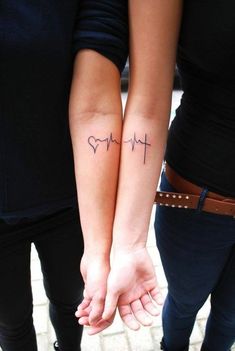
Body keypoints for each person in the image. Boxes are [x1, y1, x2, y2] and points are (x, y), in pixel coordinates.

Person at [76, 1, 235, 351]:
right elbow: (147, 103)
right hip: (199, 202)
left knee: (230, 318)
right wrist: (127, 244)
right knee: (182, 304)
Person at [0, 1, 128, 351]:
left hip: (71, 197)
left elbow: (98, 105)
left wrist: (103, 248)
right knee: (12, 325)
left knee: (72, 306)